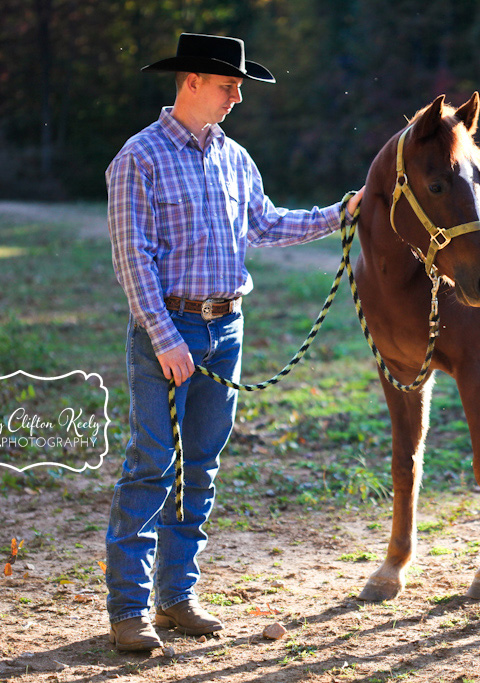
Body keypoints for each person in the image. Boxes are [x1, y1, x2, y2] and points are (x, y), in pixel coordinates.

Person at [104, 32, 362, 652]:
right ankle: (129, 610)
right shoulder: (137, 159)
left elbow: (268, 224)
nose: (238, 96)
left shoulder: (235, 158)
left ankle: (176, 597)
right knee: (150, 465)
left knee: (201, 469)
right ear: (191, 81)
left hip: (227, 330)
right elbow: (132, 259)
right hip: (169, 330)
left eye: (239, 86)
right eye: (228, 85)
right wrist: (165, 338)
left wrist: (343, 211)